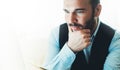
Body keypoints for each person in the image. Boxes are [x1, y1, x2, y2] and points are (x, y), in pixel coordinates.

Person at [40, 0, 120, 70]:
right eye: (67, 11)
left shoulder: (115, 40)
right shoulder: (56, 34)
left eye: (79, 11)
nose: (70, 20)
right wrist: (70, 49)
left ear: (97, 10)